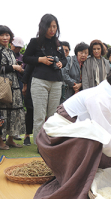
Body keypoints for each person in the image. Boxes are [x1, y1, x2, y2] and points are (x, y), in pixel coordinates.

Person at [34, 63, 111, 199]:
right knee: (95, 140)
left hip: (73, 138)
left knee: (104, 136)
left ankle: (88, 179)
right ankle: (79, 185)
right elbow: (104, 141)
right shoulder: (101, 98)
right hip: (54, 140)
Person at [23, 14, 67, 145]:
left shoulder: (58, 43)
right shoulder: (34, 42)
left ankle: (51, 143)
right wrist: (40, 59)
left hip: (57, 81)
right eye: (49, 26)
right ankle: (39, 144)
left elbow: (64, 59)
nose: (52, 29)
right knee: (39, 115)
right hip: (39, 81)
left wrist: (61, 64)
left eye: (54, 26)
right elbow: (26, 58)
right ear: (43, 26)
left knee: (53, 115)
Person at [0, 25, 25, 149]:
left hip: (14, 86)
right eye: (2, 35)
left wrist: (18, 68)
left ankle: (11, 139)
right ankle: (1, 141)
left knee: (15, 111)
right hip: (3, 86)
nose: (5, 37)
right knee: (2, 112)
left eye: (7, 35)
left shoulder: (10, 51)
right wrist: (14, 67)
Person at [10, 36, 25, 140]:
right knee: (5, 108)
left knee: (18, 108)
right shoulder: (6, 54)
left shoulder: (23, 58)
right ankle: (3, 134)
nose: (17, 49)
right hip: (7, 82)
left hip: (19, 82)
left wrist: (20, 69)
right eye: (16, 46)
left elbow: (26, 72)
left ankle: (15, 132)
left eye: (19, 47)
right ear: (12, 44)